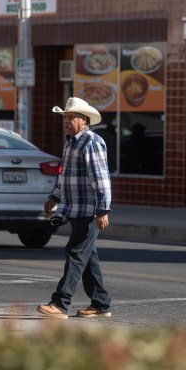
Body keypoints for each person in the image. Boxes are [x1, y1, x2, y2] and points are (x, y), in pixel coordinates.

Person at [37, 97, 112, 319]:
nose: (67, 121)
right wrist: (54, 197)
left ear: (84, 120)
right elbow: (66, 177)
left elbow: (100, 179)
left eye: (71, 117)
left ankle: (60, 303)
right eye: (65, 117)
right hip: (75, 208)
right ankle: (100, 303)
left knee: (76, 253)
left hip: (89, 209)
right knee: (88, 258)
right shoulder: (71, 142)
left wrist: (103, 210)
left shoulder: (91, 142)